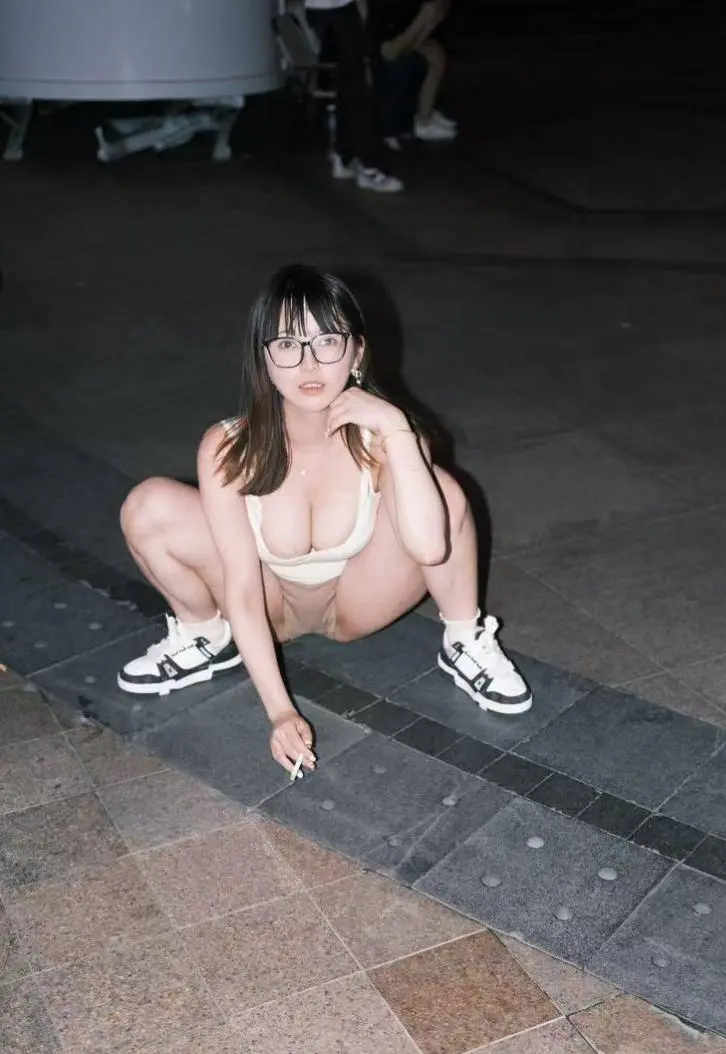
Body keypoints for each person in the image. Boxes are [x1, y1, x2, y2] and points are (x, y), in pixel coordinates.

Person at [117, 265, 532, 773]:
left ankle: (464, 638)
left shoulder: (382, 436)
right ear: (265, 360)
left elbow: (430, 548)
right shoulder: (229, 445)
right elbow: (242, 586)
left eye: (327, 341)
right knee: (149, 504)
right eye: (287, 344)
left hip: (360, 601)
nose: (309, 363)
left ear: (356, 353)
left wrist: (397, 430)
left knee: (441, 490)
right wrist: (280, 711)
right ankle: (205, 635)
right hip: (267, 604)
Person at [303, 0, 403, 192]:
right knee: (357, 86)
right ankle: (368, 165)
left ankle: (344, 153)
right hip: (334, 9)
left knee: (349, 82)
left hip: (332, 8)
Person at [368, 0, 456, 143]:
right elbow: (387, 52)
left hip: (397, 43)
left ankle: (426, 114)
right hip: (380, 52)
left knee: (436, 52)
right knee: (430, 56)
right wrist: (422, 20)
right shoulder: (382, 8)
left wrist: (430, 22)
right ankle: (423, 123)